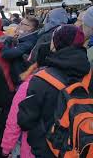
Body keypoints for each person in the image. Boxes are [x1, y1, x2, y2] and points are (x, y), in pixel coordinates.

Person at [18, 25, 93, 157]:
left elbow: (25, 121)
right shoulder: (90, 75)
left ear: (56, 44)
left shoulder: (41, 80)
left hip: (49, 150)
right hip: (83, 148)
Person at [1, 42, 51, 158]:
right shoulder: (73, 82)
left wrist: (6, 148)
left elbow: (15, 119)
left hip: (31, 149)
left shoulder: (30, 85)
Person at [2, 17, 40, 85]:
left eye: (22, 24)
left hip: (22, 81)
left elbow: (5, 54)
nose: (19, 25)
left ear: (30, 28)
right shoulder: (25, 39)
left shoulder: (29, 42)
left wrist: (9, 38)